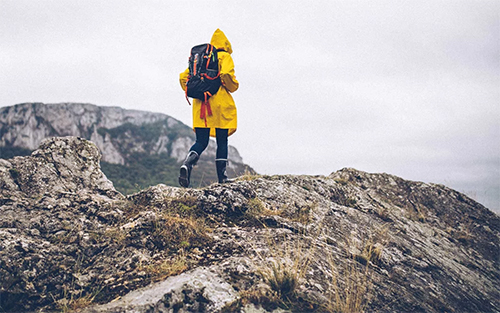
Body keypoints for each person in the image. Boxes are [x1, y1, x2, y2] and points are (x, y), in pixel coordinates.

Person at [178, 29, 239, 187]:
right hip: (219, 104)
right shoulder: (224, 56)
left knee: (201, 141)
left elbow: (183, 77)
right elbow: (226, 74)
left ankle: (187, 164)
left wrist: (199, 90)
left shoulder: (201, 59)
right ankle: (222, 178)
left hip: (201, 103)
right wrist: (233, 86)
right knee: (221, 140)